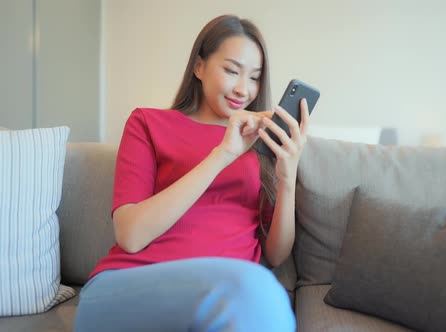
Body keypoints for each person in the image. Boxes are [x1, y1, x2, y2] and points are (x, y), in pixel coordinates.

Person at [73, 14, 308, 332]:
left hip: (233, 301)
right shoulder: (148, 123)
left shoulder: (260, 145)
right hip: (128, 287)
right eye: (231, 70)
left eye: (254, 77)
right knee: (257, 289)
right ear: (199, 67)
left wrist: (287, 176)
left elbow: (277, 254)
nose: (244, 89)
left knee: (260, 291)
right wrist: (222, 155)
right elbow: (130, 235)